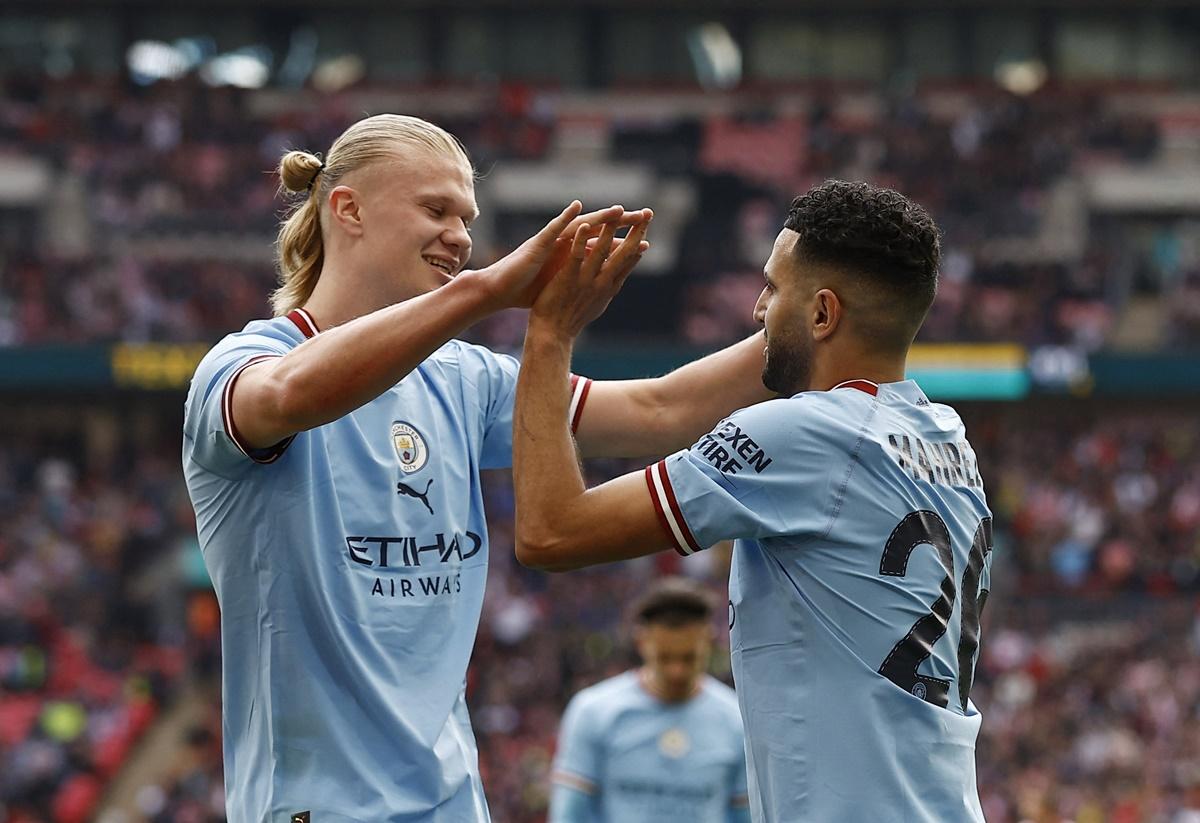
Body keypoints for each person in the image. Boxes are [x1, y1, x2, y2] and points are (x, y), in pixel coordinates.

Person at [181, 113, 772, 823]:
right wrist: (484, 293)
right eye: (435, 209)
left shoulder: (464, 378)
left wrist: (806, 328)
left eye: (467, 216)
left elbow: (657, 409)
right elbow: (292, 394)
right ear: (348, 209)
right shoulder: (243, 366)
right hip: (319, 809)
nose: (460, 236)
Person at [510, 180, 995, 822]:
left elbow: (550, 532)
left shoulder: (806, 435)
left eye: (771, 287)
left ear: (822, 314)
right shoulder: (945, 438)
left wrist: (549, 332)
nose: (757, 308)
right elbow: (669, 405)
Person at [549, 578, 748, 823]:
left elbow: (745, 817)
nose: (677, 671)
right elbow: (570, 814)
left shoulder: (736, 721)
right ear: (641, 641)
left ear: (709, 640)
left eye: (688, 658)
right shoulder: (593, 712)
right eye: (664, 658)